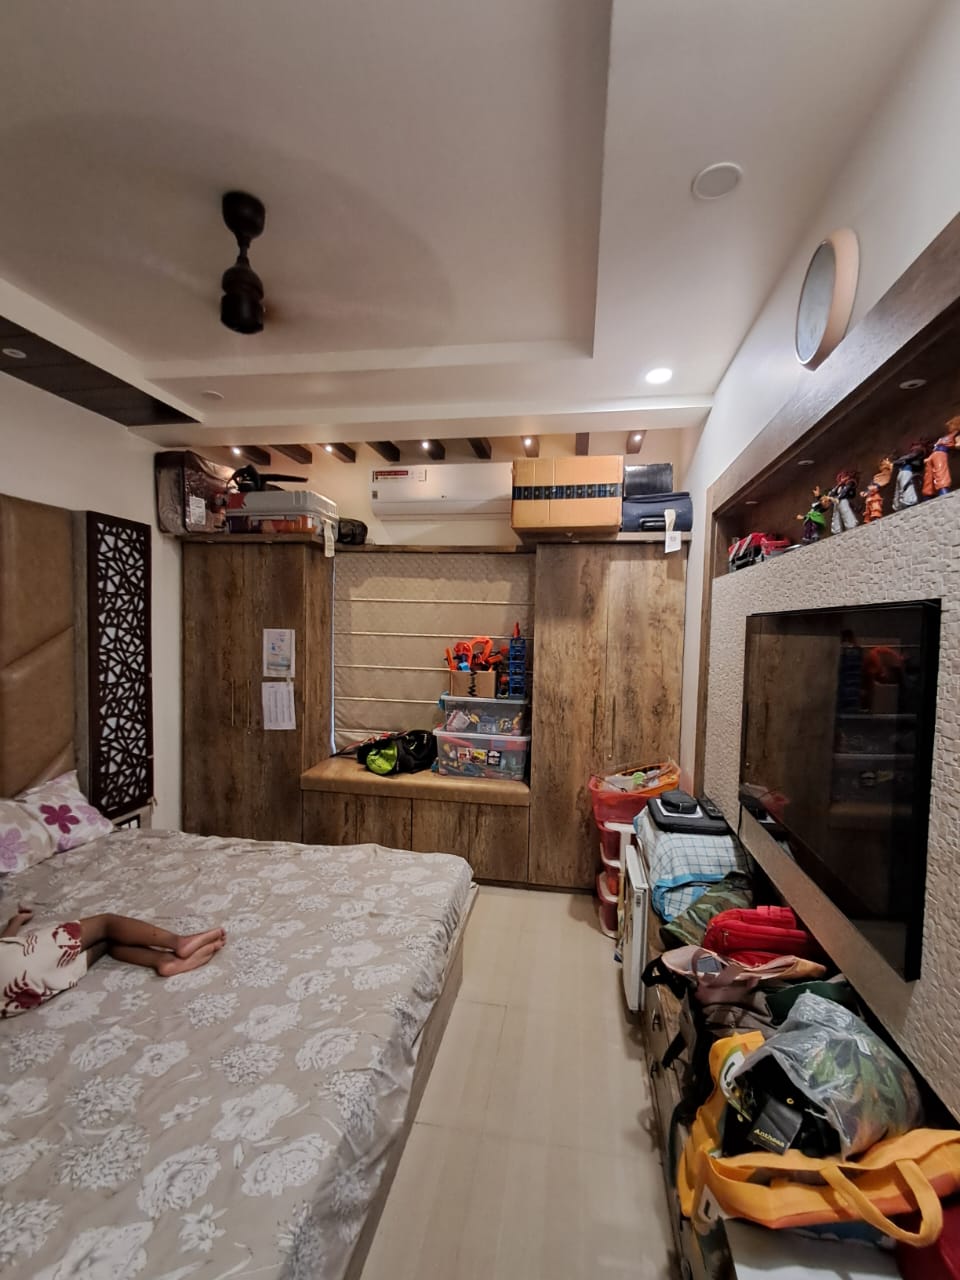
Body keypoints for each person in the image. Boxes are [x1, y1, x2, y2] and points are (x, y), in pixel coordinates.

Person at [0, 904, 226, 1018]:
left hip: (19, 996)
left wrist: (15, 922)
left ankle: (164, 961)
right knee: (106, 924)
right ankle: (178, 942)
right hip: (10, 962)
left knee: (106, 943)